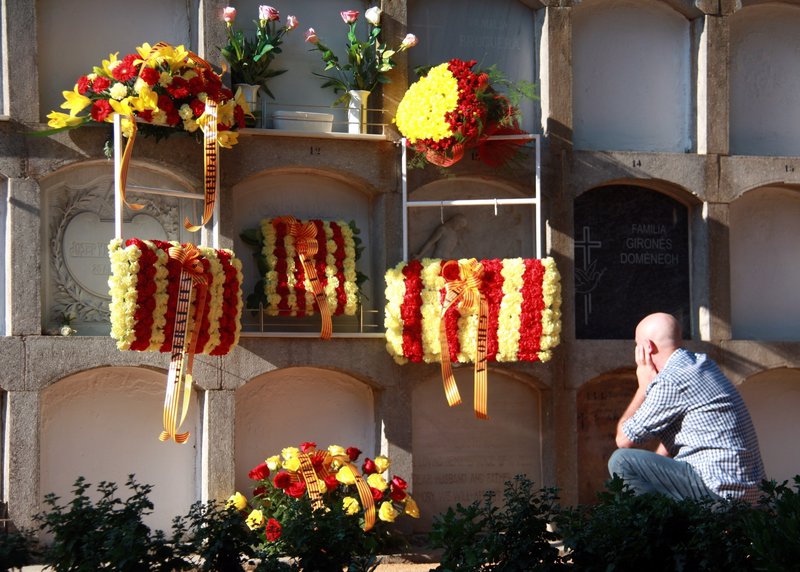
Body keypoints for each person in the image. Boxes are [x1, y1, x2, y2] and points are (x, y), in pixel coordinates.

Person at [608, 312, 765, 502]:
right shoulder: (703, 365)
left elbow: (624, 440)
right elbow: (672, 443)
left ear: (647, 348)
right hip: (747, 493)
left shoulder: (672, 380)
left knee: (622, 460)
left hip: (718, 491)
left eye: (636, 346)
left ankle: (652, 530)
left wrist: (643, 387)